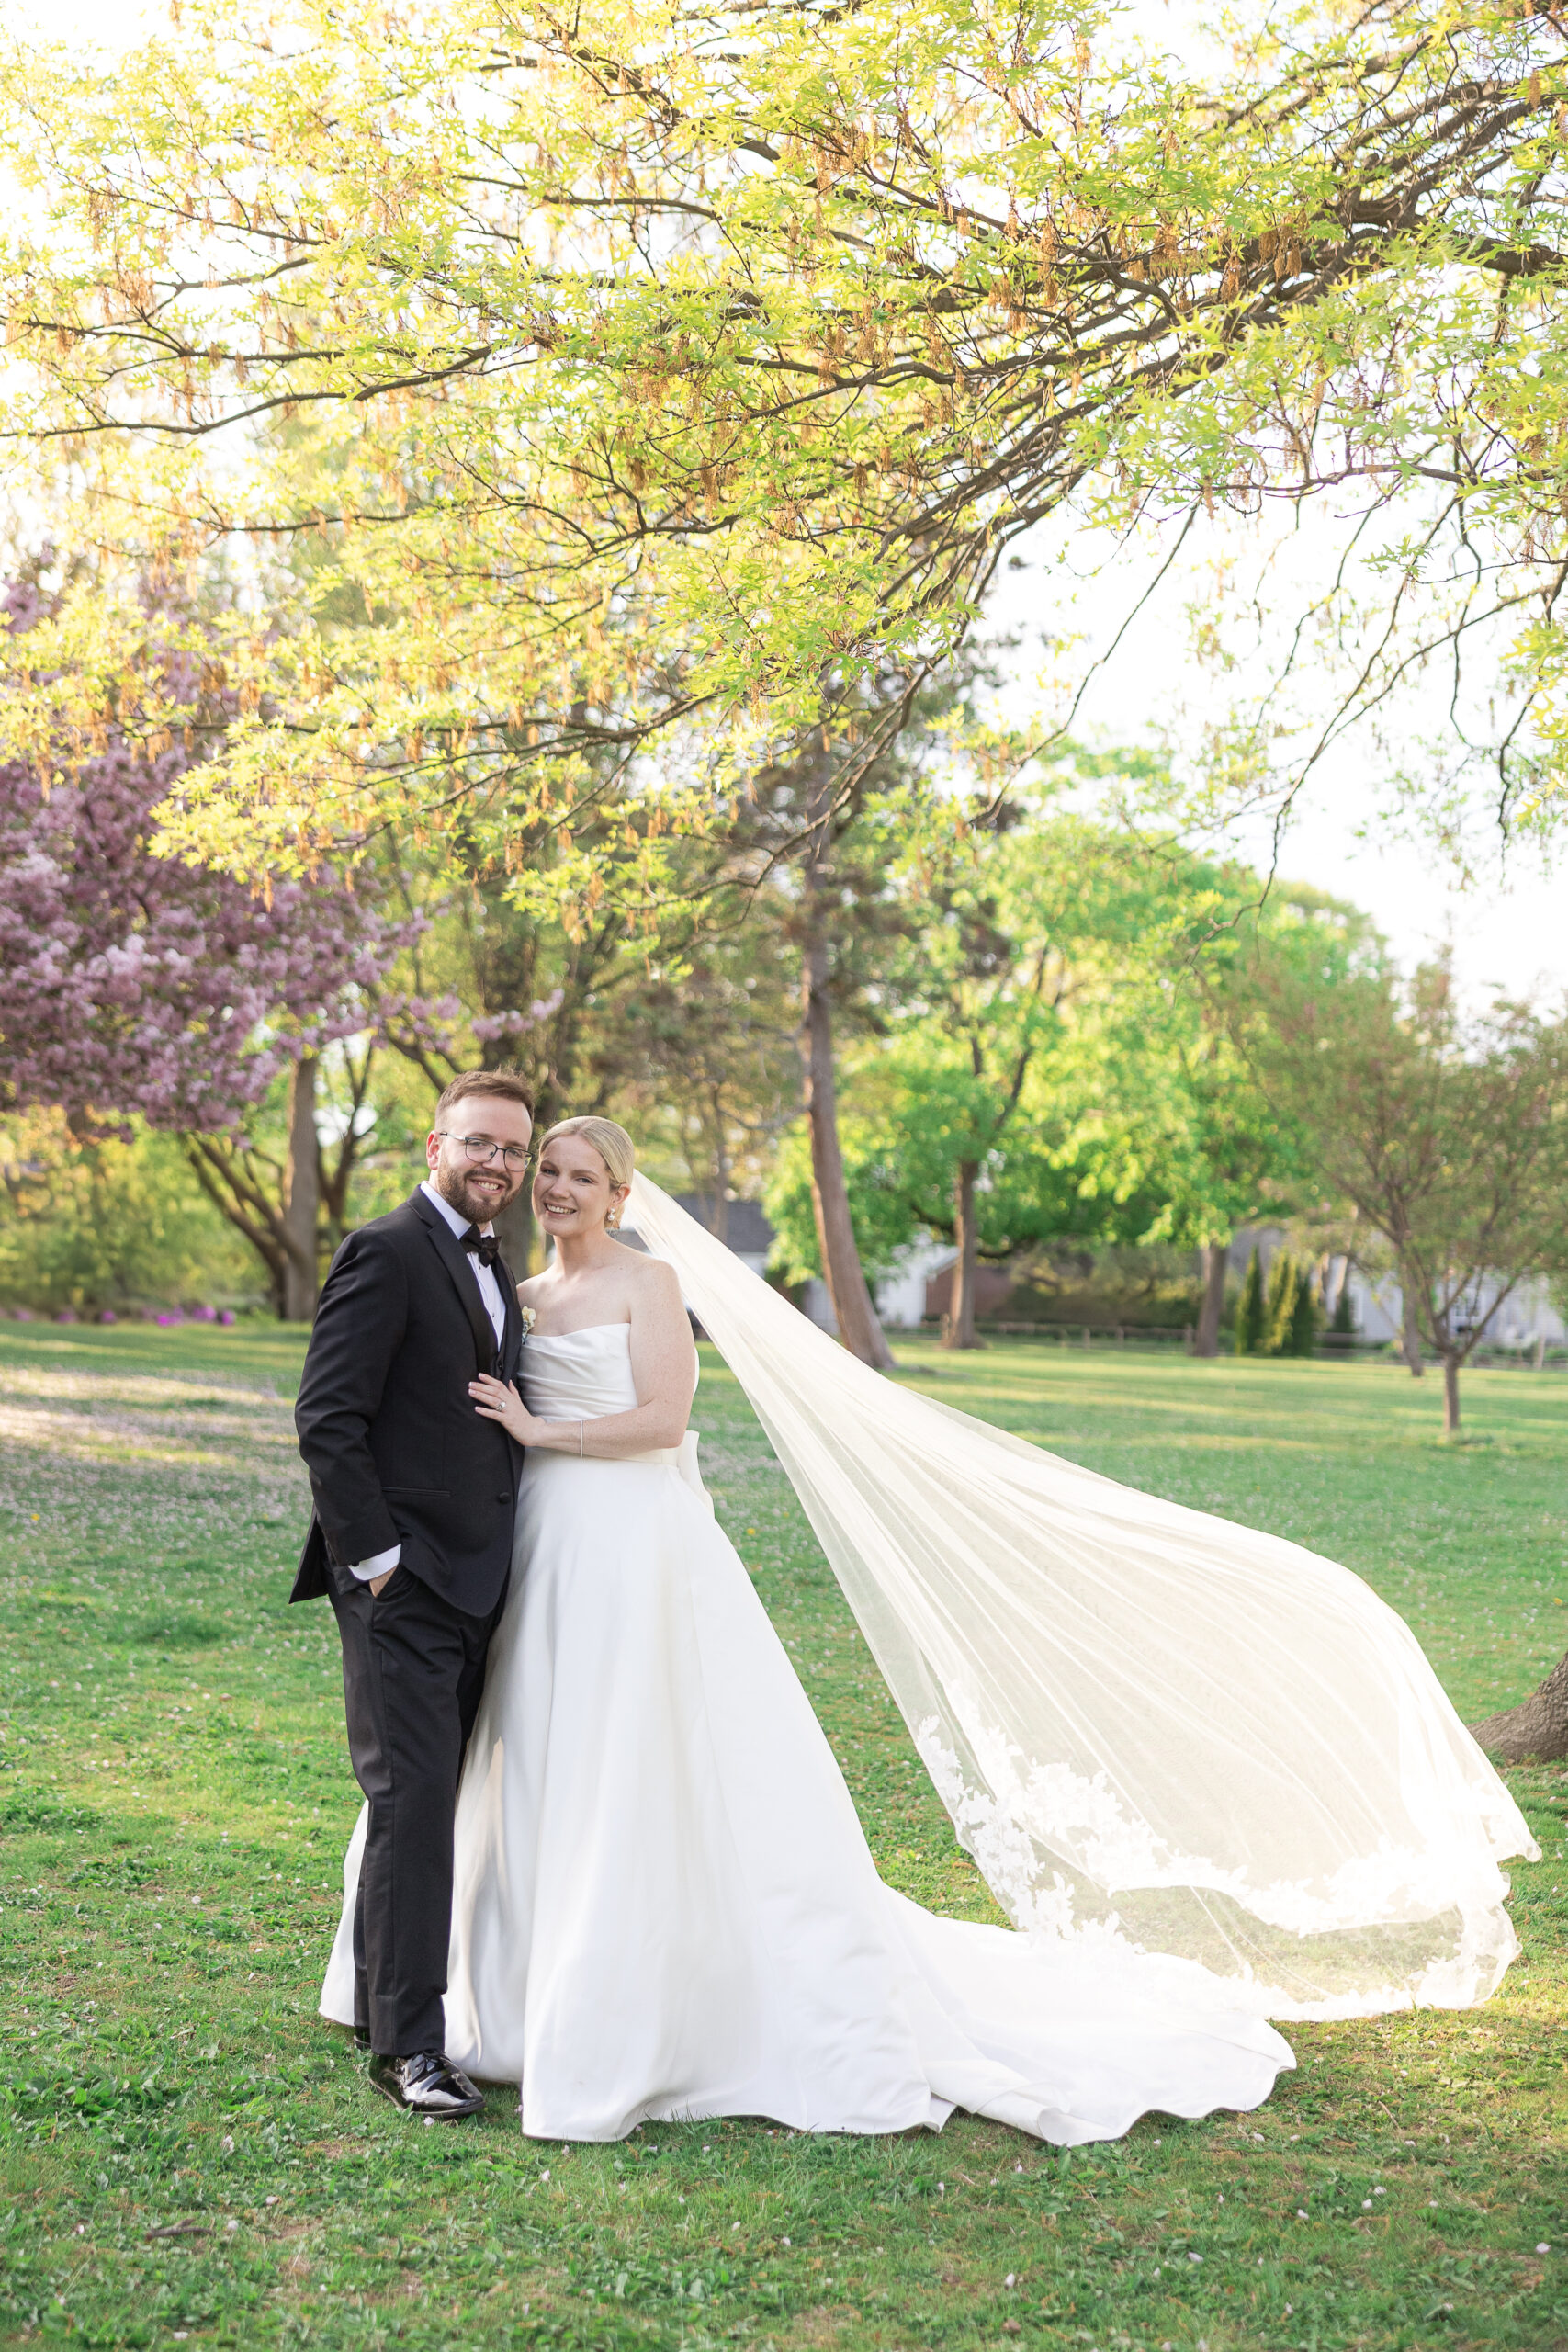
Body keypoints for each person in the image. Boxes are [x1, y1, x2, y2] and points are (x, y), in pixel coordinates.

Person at [322, 1116, 1303, 2141]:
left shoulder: (650, 1287)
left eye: (581, 1176)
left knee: (636, 1751)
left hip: (632, 1544)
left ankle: (646, 1996)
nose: (558, 1189)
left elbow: (663, 1418)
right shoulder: (518, 1298)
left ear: (620, 1195)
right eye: (549, 1173)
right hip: (537, 1552)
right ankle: (496, 1987)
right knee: (530, 1760)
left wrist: (540, 1429)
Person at [295, 1068, 533, 2118]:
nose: (499, 1164)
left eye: (513, 1151)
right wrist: (380, 1560)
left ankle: (374, 2001)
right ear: (431, 1146)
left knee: (427, 1801)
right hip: (406, 1581)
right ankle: (411, 2047)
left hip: (480, 1580)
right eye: (479, 1142)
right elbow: (326, 1417)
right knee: (411, 1803)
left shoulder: (493, 1260)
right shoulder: (387, 1251)